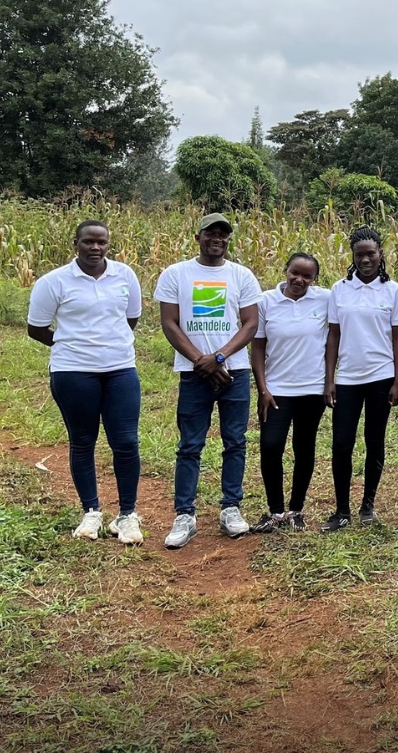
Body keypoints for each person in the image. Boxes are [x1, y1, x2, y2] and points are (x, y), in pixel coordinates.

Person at [27, 220, 145, 544]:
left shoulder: (125, 277)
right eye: (88, 242)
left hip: (120, 369)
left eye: (101, 242)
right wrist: (71, 344)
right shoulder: (55, 282)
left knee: (126, 441)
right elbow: (36, 328)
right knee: (82, 440)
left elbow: (130, 318)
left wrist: (107, 344)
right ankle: (91, 512)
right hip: (72, 372)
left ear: (109, 244)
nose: (95, 247)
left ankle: (127, 515)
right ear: (75, 243)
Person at [155, 213, 262, 549]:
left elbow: (249, 324)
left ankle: (231, 507)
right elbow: (170, 324)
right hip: (192, 373)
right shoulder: (176, 274)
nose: (217, 239)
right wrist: (199, 360)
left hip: (235, 371)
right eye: (211, 233)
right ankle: (184, 515)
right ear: (197, 236)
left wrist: (217, 357)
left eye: (223, 235)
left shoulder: (241, 275)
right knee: (189, 445)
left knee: (235, 440)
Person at [323, 226, 398, 532]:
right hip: (347, 377)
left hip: (381, 376)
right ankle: (342, 509)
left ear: (380, 253)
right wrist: (329, 379)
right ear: (353, 256)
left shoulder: (393, 291)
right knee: (341, 443)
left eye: (371, 253)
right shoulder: (340, 289)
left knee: (375, 440)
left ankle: (368, 506)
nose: (365, 259)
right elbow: (333, 336)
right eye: (360, 255)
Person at [250, 253, 329, 533]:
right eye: (295, 272)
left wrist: (330, 382)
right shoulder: (266, 301)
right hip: (276, 390)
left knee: (304, 448)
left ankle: (296, 510)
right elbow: (257, 346)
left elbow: (336, 336)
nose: (300, 280)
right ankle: (275, 511)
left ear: (315, 279)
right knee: (271, 447)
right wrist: (262, 388)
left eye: (307, 276)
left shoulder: (325, 299)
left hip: (312, 389)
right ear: (285, 270)